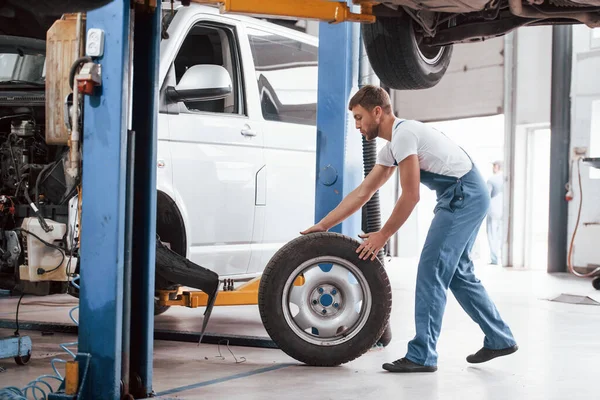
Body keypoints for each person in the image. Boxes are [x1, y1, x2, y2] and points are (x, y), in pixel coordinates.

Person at [301, 85, 517, 373]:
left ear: (377, 112)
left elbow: (411, 195)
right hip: (465, 192)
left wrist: (382, 236)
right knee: (458, 273)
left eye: (358, 117)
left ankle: (423, 355)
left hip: (463, 194)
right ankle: (500, 337)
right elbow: (363, 192)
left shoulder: (404, 135)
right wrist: (323, 225)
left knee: (432, 269)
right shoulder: (393, 145)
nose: (356, 125)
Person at [486, 161, 504, 265]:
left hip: (493, 209)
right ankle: (503, 257)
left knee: (492, 235)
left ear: (497, 167)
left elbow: (486, 196)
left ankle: (494, 259)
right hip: (503, 209)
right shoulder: (506, 179)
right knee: (501, 233)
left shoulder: (491, 180)